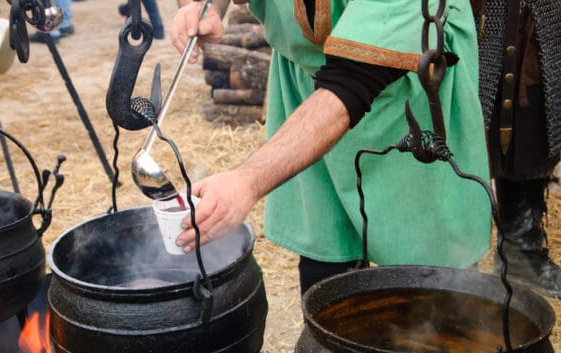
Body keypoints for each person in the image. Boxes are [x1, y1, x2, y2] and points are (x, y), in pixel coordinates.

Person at [171, 0, 493, 294]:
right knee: (327, 272)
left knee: (430, 285)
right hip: (307, 94)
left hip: (409, 87)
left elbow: (351, 82)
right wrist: (204, 6)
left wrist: (248, 181)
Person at [476, 0, 561, 297]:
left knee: (533, 128)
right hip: (481, 25)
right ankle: (455, 262)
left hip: (540, 23)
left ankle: (521, 253)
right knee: (474, 130)